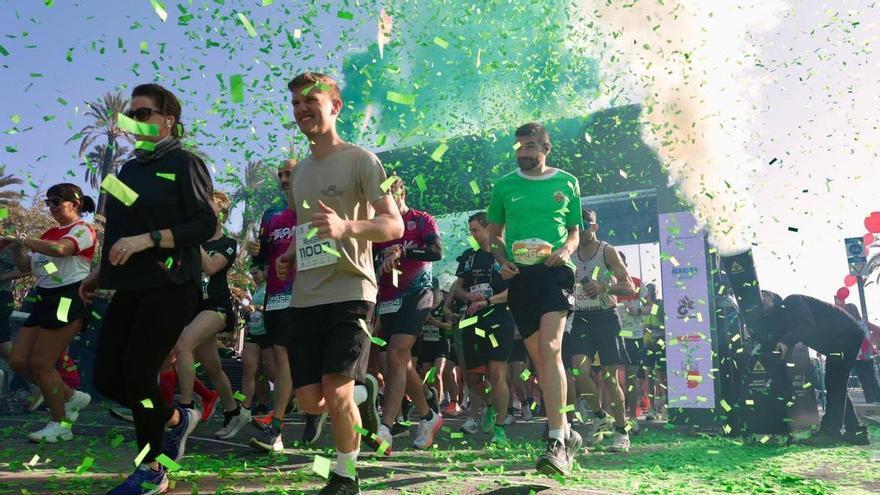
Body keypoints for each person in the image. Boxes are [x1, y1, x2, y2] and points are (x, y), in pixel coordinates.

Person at [80, 83, 217, 495]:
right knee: (106, 378)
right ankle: (176, 419)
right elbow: (123, 228)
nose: (134, 121)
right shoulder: (127, 171)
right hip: (131, 285)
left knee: (140, 374)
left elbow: (205, 224)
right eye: (131, 115)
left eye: (143, 114)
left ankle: (152, 470)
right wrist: (100, 272)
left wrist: (148, 240)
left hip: (172, 283)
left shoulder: (185, 162)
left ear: (167, 121)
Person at [275, 72, 401, 495]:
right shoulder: (299, 174)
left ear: (335, 106)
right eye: (295, 103)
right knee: (311, 401)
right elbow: (307, 229)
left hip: (351, 291)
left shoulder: (363, 160)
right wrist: (291, 255)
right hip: (305, 297)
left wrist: (347, 226)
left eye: (310, 100)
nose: (301, 109)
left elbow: (393, 225)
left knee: (336, 390)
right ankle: (364, 393)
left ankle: (345, 476)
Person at [486, 122, 584, 476]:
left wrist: (565, 250)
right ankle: (567, 432)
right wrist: (502, 260)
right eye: (519, 147)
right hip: (520, 278)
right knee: (541, 359)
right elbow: (494, 235)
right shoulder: (503, 186)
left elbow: (574, 233)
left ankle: (556, 440)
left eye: (530, 146)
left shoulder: (568, 182)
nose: (523, 152)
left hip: (556, 273)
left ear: (546, 148)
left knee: (551, 347)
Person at [3, 183, 96, 442]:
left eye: (57, 201)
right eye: (49, 202)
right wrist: (15, 247)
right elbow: (26, 267)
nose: (51, 207)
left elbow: (61, 249)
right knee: (18, 361)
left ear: (75, 203)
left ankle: (61, 425)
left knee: (41, 363)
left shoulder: (83, 229)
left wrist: (23, 239)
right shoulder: (49, 233)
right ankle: (72, 397)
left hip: (68, 297)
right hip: (43, 298)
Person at [373, 177, 444, 452]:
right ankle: (428, 416)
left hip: (418, 292)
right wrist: (382, 263)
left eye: (391, 194)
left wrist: (404, 251)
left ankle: (385, 428)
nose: (386, 201)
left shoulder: (421, 219)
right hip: (387, 298)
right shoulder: (379, 227)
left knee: (395, 354)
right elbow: (371, 262)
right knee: (402, 362)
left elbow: (436, 252)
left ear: (401, 192)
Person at [173, 191, 250, 439]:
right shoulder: (194, 242)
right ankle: (234, 411)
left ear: (222, 214)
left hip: (217, 307)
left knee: (183, 346)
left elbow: (211, 267)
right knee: (212, 366)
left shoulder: (227, 243)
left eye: (211, 207)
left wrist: (192, 237)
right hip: (194, 308)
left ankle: (186, 409)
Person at [245, 159, 308, 451]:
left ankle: (318, 410)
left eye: (289, 173)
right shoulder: (271, 213)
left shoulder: (313, 205)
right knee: (281, 354)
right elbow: (263, 257)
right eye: (280, 174)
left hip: (309, 293)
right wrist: (257, 250)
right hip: (276, 295)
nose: (283, 178)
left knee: (305, 357)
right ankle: (277, 427)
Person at [562, 208, 636, 452]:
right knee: (579, 371)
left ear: (595, 227)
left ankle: (622, 431)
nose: (582, 229)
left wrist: (604, 287)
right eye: (578, 224)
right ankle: (600, 416)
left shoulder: (607, 251)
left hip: (605, 317)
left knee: (609, 378)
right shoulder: (569, 251)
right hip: (580, 318)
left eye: (587, 224)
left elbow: (629, 287)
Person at [761, 291, 869, 446]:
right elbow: (784, 343)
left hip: (844, 335)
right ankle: (855, 431)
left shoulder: (792, 301)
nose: (761, 298)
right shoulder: (781, 322)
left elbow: (807, 325)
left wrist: (785, 341)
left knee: (835, 381)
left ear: (775, 298)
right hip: (839, 339)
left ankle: (830, 433)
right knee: (836, 383)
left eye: (765, 295)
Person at [450, 211, 517, 444]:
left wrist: (488, 301)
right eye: (470, 231)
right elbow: (457, 287)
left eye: (476, 230)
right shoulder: (469, 256)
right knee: (472, 375)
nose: (473, 235)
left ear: (488, 229)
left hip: (499, 316)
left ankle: (500, 428)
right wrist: (468, 295)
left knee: (497, 373)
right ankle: (489, 404)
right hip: (472, 319)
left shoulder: (506, 254)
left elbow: (514, 290)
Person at [240, 265, 277, 418]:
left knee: (272, 374)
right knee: (252, 371)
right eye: (252, 273)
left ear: (265, 271)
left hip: (267, 333)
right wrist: (247, 312)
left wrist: (256, 307)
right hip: (254, 332)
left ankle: (291, 399)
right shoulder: (257, 289)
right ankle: (249, 407)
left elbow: (273, 307)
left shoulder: (271, 287)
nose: (254, 276)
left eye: (256, 272)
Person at [616, 251, 646, 432]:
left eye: (621, 263)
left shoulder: (637, 283)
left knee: (631, 378)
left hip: (634, 336)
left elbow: (652, 307)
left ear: (626, 265)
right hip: (613, 335)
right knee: (611, 378)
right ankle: (615, 418)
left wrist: (639, 311)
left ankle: (633, 417)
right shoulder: (608, 285)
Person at [416, 278, 450, 421]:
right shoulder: (423, 306)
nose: (431, 293)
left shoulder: (443, 306)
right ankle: (431, 401)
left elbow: (449, 326)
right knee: (427, 376)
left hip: (440, 344)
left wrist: (435, 322)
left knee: (437, 374)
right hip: (426, 345)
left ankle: (438, 407)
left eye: (434, 290)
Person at [0, 236, 23, 394]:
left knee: (4, 344)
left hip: (2, 295)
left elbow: (27, 268)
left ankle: (37, 380)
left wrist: (2, 277)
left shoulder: (7, 244)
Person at [642, 283, 666, 420]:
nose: (650, 294)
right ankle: (651, 408)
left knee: (659, 375)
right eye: (648, 292)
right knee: (648, 376)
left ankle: (665, 407)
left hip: (660, 344)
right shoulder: (642, 308)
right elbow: (642, 327)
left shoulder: (659, 306)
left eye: (652, 292)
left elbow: (664, 324)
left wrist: (650, 327)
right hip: (647, 345)